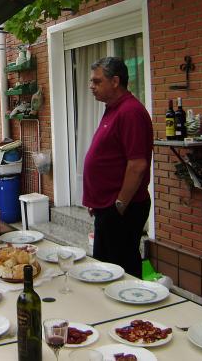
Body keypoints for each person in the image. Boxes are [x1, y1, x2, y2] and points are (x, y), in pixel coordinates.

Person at [82, 57, 153, 278]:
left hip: (123, 208)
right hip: (107, 207)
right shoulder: (112, 109)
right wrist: (97, 200)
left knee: (121, 272)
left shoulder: (130, 112)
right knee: (105, 268)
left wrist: (120, 205)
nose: (91, 86)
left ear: (115, 81)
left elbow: (137, 165)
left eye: (97, 81)